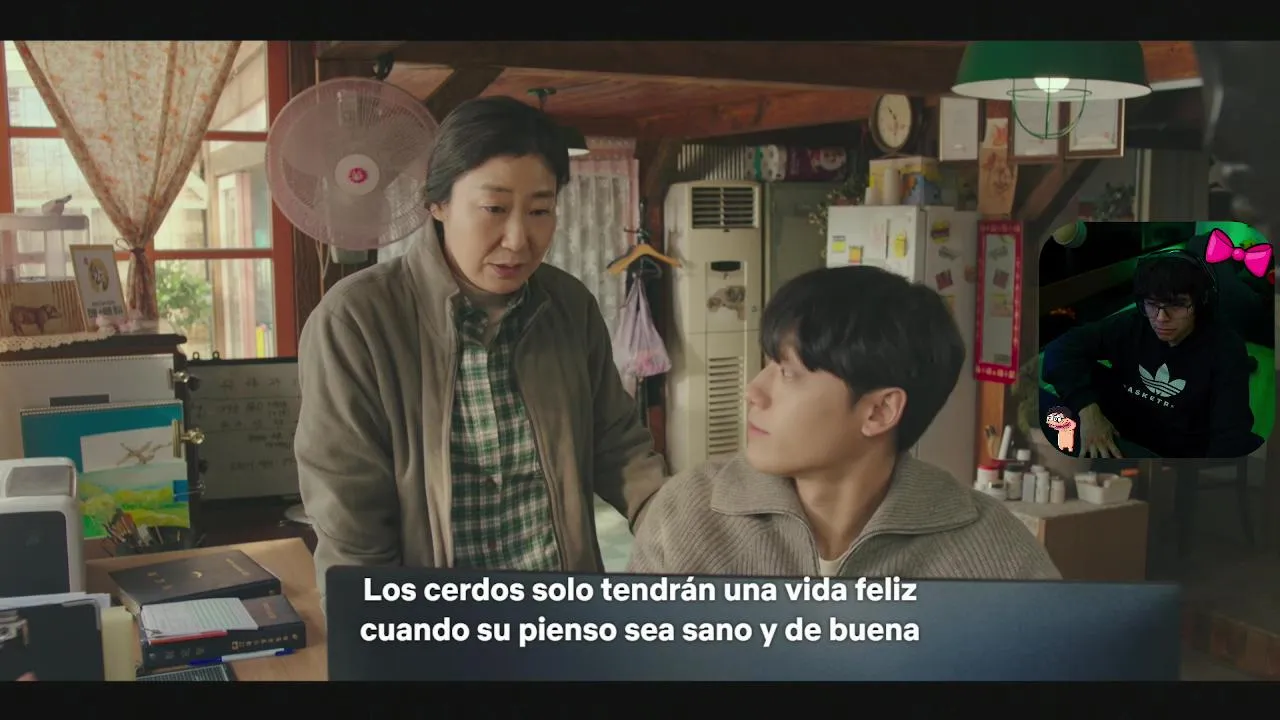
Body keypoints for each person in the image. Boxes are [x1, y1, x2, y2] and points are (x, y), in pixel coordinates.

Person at [296, 96, 666, 603]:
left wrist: (681, 525)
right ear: (438, 203)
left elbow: (617, 445)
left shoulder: (567, 306)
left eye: (540, 210)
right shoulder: (357, 321)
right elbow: (350, 520)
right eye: (494, 208)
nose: (518, 239)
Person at [627, 266, 1059, 580]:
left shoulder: (994, 551)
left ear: (879, 411)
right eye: (768, 364)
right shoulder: (687, 514)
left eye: (788, 372)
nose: (753, 391)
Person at [1041, 247, 1259, 459]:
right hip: (1125, 426)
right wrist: (1088, 411)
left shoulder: (1226, 347)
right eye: (1152, 304)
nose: (1161, 318)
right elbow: (1060, 350)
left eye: (1176, 305)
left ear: (1201, 302)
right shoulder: (1134, 323)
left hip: (1183, 446)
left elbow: (1229, 436)